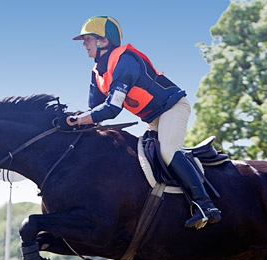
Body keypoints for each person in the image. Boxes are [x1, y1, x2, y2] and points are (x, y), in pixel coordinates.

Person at [66, 15, 221, 229]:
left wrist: (78, 120)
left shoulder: (125, 61)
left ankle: (206, 205)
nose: (84, 44)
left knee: (167, 151)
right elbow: (93, 111)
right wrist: (72, 121)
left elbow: (111, 109)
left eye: (88, 39)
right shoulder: (98, 73)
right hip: (154, 119)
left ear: (104, 40)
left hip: (173, 107)